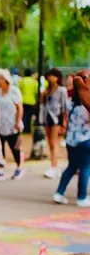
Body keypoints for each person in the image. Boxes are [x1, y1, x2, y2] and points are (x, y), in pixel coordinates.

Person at [52, 77, 90, 208]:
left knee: (72, 167)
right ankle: (82, 197)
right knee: (85, 168)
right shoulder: (87, 103)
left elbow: (65, 120)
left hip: (71, 139)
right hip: (85, 138)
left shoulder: (69, 102)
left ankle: (59, 192)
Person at [0, 69, 25, 180]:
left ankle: (19, 166)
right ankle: (0, 168)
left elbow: (19, 107)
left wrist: (18, 120)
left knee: (14, 146)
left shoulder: (14, 91)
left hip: (11, 123)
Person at [40, 68, 68, 179]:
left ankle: (54, 165)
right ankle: (53, 164)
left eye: (53, 76)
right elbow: (42, 103)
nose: (51, 78)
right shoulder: (46, 90)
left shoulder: (61, 90)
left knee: (53, 141)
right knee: (50, 142)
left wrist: (63, 122)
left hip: (56, 117)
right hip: (47, 117)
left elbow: (64, 107)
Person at [19, 68, 39, 134]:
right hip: (31, 101)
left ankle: (25, 128)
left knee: (24, 115)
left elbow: (19, 90)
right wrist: (36, 100)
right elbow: (36, 92)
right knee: (29, 116)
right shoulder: (34, 81)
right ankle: (29, 129)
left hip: (23, 101)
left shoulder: (22, 81)